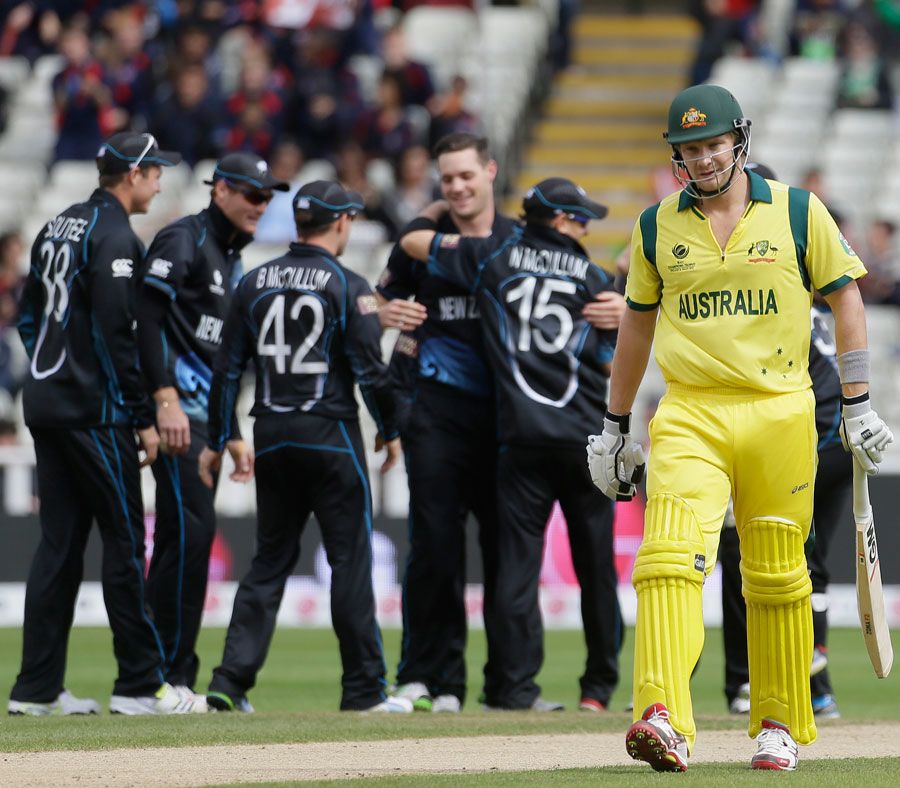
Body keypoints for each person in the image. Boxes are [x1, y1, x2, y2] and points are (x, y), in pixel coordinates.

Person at [586, 84, 892, 771]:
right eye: (689, 150)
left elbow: (846, 300)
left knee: (779, 575)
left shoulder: (797, 211)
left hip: (781, 410)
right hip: (690, 412)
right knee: (666, 559)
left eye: (713, 144)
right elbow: (635, 327)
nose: (703, 159)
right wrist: (614, 425)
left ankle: (778, 722)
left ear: (739, 142)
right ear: (678, 158)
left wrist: (858, 400)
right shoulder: (655, 226)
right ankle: (663, 718)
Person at [400, 177, 624, 712]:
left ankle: (516, 688)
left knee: (516, 572)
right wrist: (623, 311)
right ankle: (597, 690)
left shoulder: (490, 258)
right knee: (596, 568)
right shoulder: (595, 279)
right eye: (581, 218)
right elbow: (616, 362)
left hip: (520, 441)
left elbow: (413, 241)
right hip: (586, 440)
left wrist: (437, 204)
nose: (586, 227)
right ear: (563, 222)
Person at [201, 181, 411, 714]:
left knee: (269, 560)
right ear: (340, 223)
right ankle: (364, 689)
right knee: (350, 560)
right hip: (331, 435)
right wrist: (391, 431)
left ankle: (229, 682)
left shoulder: (253, 281)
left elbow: (226, 370)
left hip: (272, 434)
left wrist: (226, 434)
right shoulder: (348, 284)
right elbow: (370, 371)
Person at [9, 132, 198, 716]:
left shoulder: (55, 226)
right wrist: (142, 416)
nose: (161, 182)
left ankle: (36, 691)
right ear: (133, 175)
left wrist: (51, 373)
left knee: (59, 546)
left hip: (48, 406)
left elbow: (27, 317)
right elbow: (124, 335)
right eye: (155, 172)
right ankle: (142, 685)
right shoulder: (116, 236)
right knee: (122, 542)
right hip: (96, 413)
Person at [137, 152, 289, 709]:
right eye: (252, 193)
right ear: (220, 188)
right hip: (177, 422)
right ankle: (160, 677)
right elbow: (145, 320)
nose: (261, 204)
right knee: (188, 539)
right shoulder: (184, 240)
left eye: (267, 196)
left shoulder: (232, 260)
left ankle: (162, 675)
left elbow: (224, 360)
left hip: (204, 426)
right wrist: (163, 401)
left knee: (187, 543)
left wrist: (229, 431)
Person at [375, 132, 517, 713]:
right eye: (447, 179)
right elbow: (377, 304)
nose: (457, 187)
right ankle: (428, 679)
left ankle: (510, 689)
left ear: (489, 171)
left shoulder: (517, 242)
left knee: (508, 556)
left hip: (509, 424)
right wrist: (384, 312)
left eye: (466, 175)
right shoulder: (418, 247)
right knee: (433, 550)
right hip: (434, 418)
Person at [718, 163, 850, 721]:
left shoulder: (792, 293)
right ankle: (779, 682)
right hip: (798, 433)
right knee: (780, 560)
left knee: (786, 560)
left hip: (813, 438)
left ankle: (793, 681)